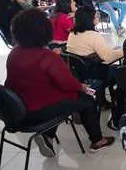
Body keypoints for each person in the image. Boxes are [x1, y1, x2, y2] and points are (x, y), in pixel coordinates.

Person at [5, 9, 115, 156]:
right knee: (87, 99)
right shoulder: (47, 57)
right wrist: (81, 87)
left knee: (70, 98)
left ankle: (48, 135)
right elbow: (67, 83)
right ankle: (97, 140)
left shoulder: (14, 53)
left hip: (16, 110)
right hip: (37, 110)